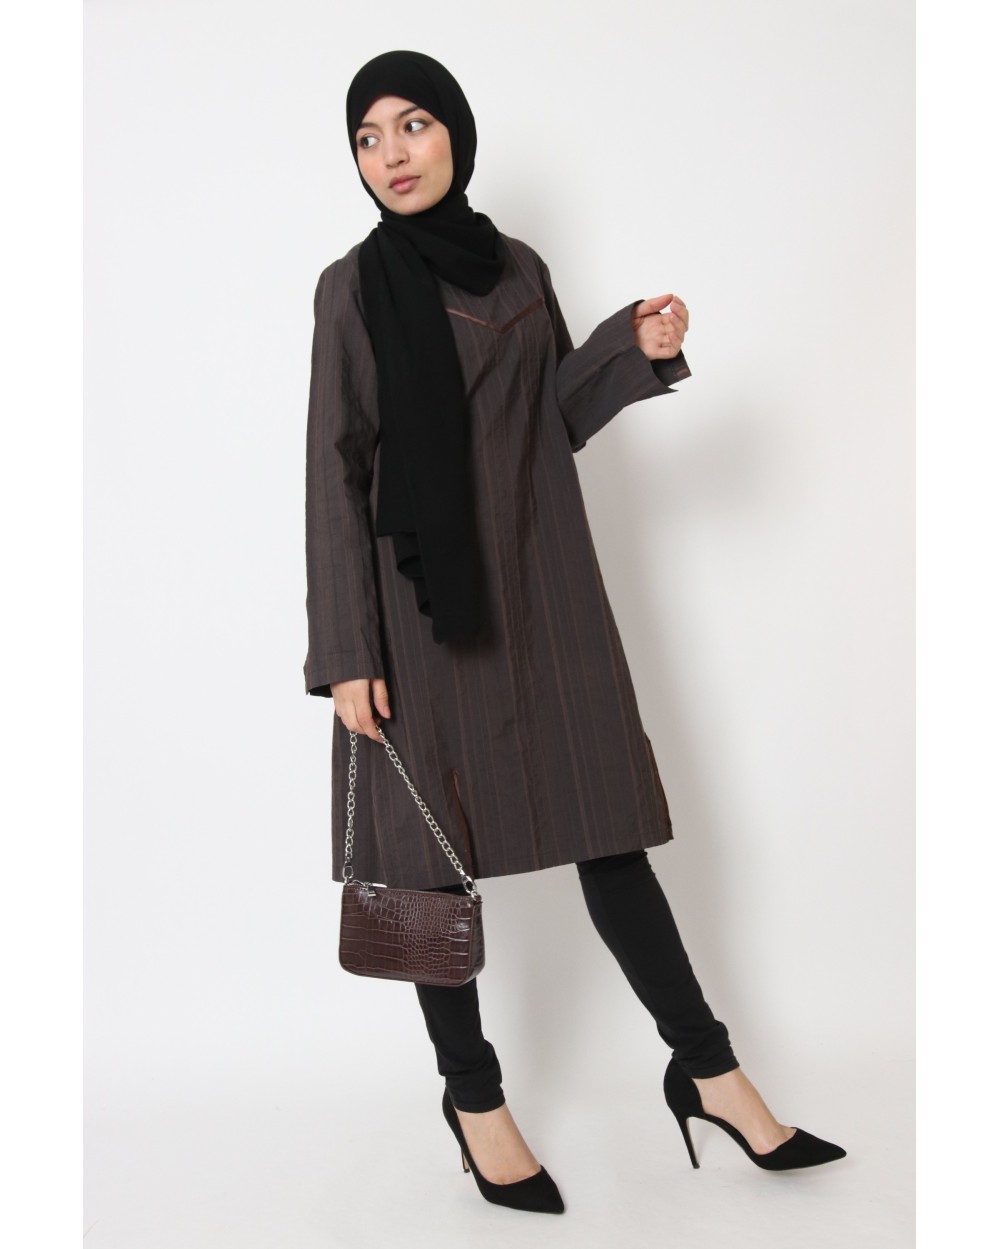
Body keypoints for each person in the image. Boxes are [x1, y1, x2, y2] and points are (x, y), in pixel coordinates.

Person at [303, 49, 846, 1215]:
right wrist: (346, 649)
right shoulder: (351, 289)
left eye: (412, 124)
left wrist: (628, 350)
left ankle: (708, 1071)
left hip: (543, 594)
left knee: (608, 829)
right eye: (367, 137)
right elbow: (333, 470)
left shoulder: (516, 267)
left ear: (457, 132)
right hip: (419, 614)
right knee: (431, 872)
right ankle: (474, 1100)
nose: (391, 153)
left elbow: (548, 420)